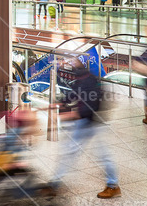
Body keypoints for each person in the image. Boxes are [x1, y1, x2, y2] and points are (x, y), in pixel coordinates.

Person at [51, 56, 120, 198]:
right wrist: (61, 103)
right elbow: (74, 93)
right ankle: (55, 183)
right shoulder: (82, 79)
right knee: (71, 151)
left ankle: (113, 186)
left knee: (101, 154)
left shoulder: (90, 81)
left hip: (93, 122)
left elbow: (90, 107)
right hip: (85, 122)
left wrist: (71, 115)